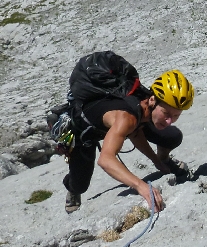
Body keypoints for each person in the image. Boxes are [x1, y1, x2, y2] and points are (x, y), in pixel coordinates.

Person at [63, 69, 195, 213]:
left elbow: (135, 132)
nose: (170, 121)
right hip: (86, 132)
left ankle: (164, 159)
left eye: (176, 115)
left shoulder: (143, 104)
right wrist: (141, 186)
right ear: (152, 100)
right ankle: (72, 188)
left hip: (122, 124)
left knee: (171, 136)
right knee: (80, 185)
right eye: (166, 113)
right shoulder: (128, 117)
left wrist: (156, 161)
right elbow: (106, 159)